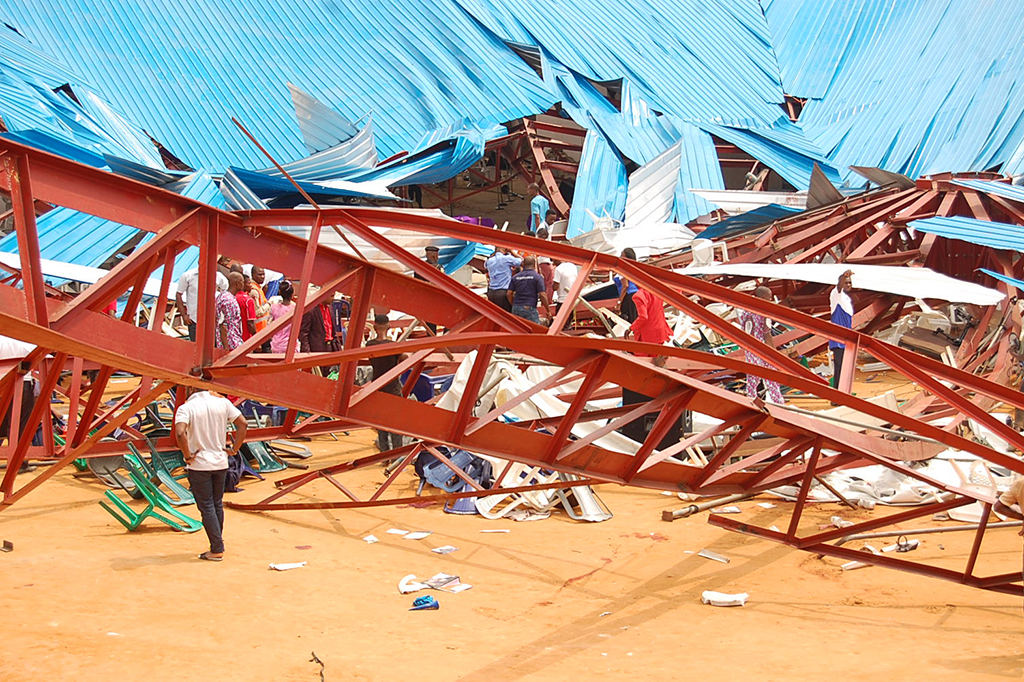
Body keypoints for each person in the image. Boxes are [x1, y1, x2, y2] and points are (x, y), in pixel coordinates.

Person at [173, 389, 248, 561]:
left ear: (191, 389)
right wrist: (235, 449)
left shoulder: (187, 407)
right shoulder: (223, 403)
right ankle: (216, 542)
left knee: (206, 506)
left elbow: (179, 432)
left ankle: (216, 548)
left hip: (199, 464)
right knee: (216, 504)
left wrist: (187, 455)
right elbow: (243, 424)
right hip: (221, 461)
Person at [366, 314, 408, 453]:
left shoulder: (369, 345)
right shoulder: (393, 346)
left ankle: (384, 453)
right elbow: (404, 357)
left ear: (374, 327)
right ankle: (397, 454)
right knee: (395, 422)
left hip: (377, 386)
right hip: (393, 386)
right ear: (389, 327)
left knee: (380, 420)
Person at [738, 286, 784, 404]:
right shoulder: (764, 313)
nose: (770, 300)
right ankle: (778, 402)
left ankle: (751, 401)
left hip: (750, 349)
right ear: (763, 298)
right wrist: (774, 353)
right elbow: (767, 334)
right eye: (769, 298)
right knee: (772, 377)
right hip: (762, 349)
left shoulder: (746, 312)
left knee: (753, 379)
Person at [175, 267, 228, 342]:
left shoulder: (218, 276)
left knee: (213, 347)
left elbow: (227, 291)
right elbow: (178, 294)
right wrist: (184, 315)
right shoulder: (188, 276)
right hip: (193, 319)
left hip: (212, 320)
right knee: (195, 347)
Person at [299, 286, 341, 375]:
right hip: (317, 349)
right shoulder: (311, 310)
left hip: (330, 347)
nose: (333, 299)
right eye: (331, 296)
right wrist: (307, 353)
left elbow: (333, 331)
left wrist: (339, 350)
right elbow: (303, 333)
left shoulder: (330, 309)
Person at [627, 287, 671, 366]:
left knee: (643, 362)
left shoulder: (639, 296)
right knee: (657, 360)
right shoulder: (657, 291)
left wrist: (631, 328)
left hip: (647, 334)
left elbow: (643, 317)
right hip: (659, 330)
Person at [830, 270, 855, 390]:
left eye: (850, 283)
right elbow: (839, 286)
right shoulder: (836, 295)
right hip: (838, 339)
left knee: (846, 368)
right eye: (846, 283)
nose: (848, 285)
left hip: (846, 339)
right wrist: (843, 276)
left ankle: (844, 392)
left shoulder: (846, 299)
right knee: (840, 368)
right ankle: (837, 396)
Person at [507, 256, 550, 323]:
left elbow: (509, 293)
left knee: (518, 329)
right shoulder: (537, 277)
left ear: (523, 264)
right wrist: (548, 311)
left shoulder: (515, 277)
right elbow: (542, 294)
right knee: (534, 329)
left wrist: (513, 304)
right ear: (534, 264)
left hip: (516, 307)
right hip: (529, 307)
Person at [485, 246, 522, 312]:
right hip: (503, 292)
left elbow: (485, 266)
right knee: (506, 315)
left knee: (495, 315)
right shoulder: (506, 259)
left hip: (491, 292)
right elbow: (522, 261)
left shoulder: (489, 261)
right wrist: (512, 251)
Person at [216, 272, 244, 351]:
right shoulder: (228, 300)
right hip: (232, 343)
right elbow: (223, 324)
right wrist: (226, 347)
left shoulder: (223, 296)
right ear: (238, 283)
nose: (243, 285)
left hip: (231, 341)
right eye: (242, 282)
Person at [269, 280, 297, 354]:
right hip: (291, 345)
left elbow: (269, 325)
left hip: (276, 344)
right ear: (292, 294)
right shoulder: (295, 308)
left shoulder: (273, 307)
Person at [614, 248, 640, 323]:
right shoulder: (633, 268)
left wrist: (619, 302)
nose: (620, 257)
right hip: (635, 295)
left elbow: (625, 286)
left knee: (629, 319)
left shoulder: (624, 269)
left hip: (628, 296)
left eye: (622, 255)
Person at [247, 265, 271, 338]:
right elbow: (257, 312)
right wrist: (270, 303)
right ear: (252, 275)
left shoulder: (258, 287)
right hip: (258, 331)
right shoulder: (254, 290)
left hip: (263, 330)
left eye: (263, 274)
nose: (263, 276)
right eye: (259, 274)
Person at [236, 272, 257, 341]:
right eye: (249, 283)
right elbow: (250, 323)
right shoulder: (248, 301)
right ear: (242, 284)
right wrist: (256, 339)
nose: (251, 286)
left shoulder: (232, 297)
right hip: (246, 339)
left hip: (234, 339)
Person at [535, 227, 555, 300]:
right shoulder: (543, 243)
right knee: (549, 282)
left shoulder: (536, 243)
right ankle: (548, 299)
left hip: (541, 263)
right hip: (545, 263)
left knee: (544, 282)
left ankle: (545, 298)